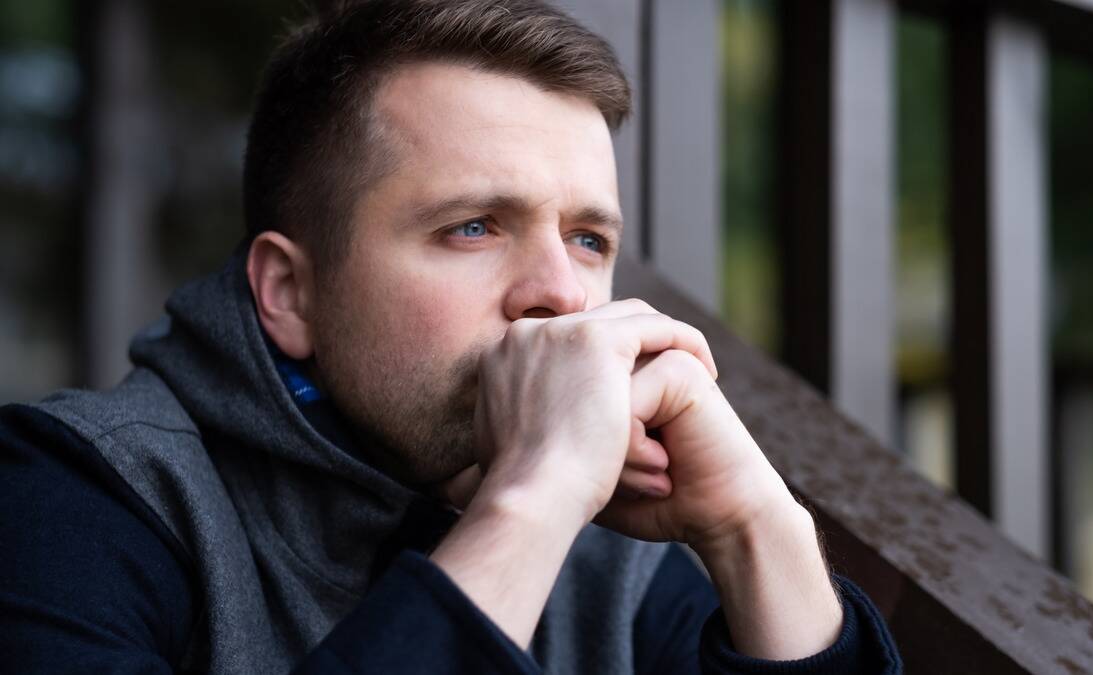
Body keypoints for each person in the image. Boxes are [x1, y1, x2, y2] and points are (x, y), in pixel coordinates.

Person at [0, 1, 901, 672]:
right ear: (291, 293)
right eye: (473, 225)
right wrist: (531, 501)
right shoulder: (72, 497)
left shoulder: (620, 561)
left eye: (589, 239)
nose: (560, 293)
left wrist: (754, 525)